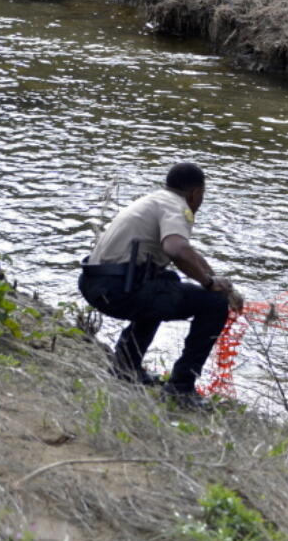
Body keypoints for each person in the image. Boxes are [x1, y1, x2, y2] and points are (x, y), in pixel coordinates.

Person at [78, 162, 244, 409]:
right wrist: (209, 285)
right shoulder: (178, 207)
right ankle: (181, 388)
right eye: (202, 195)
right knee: (213, 304)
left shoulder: (157, 199)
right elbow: (176, 249)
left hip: (96, 283)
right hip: (117, 290)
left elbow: (188, 253)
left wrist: (218, 281)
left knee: (164, 283)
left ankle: (126, 368)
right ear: (196, 192)